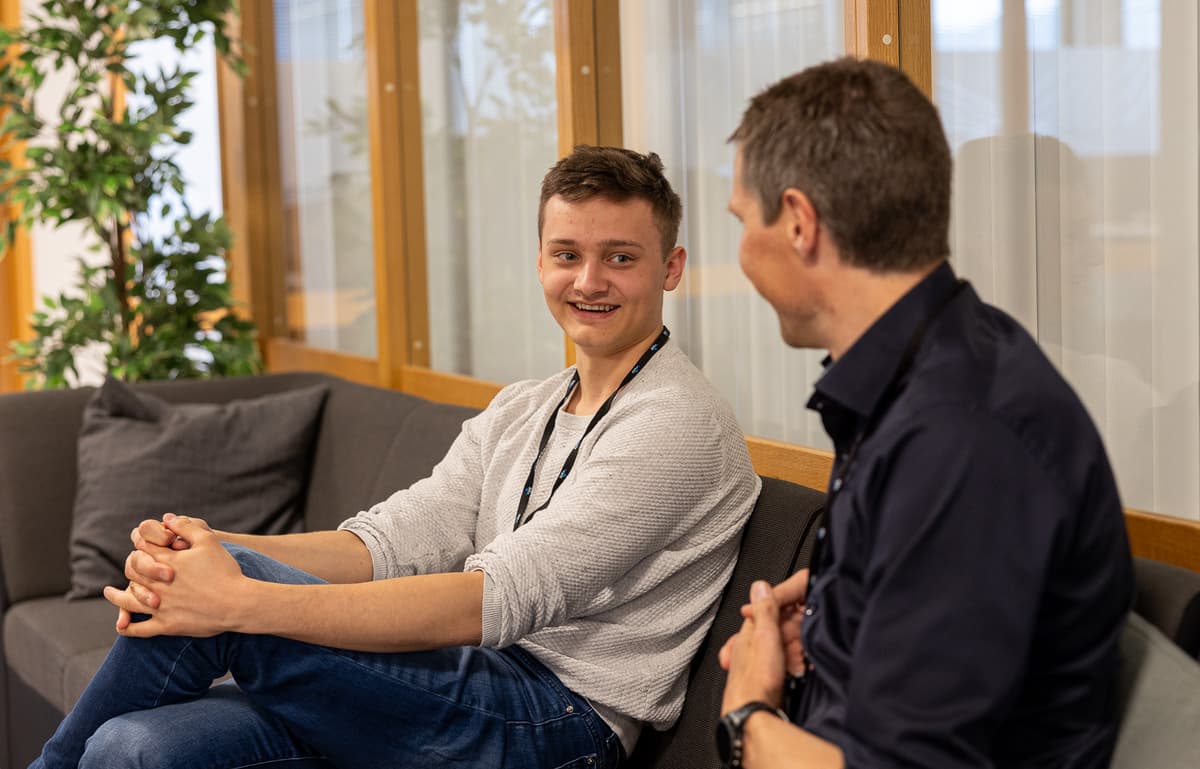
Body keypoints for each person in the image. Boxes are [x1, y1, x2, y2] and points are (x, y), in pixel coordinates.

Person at [31, 146, 761, 769]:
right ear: (541, 260)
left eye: (620, 258)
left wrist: (241, 594)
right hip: (462, 684)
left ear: (670, 267)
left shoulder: (677, 423)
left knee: (226, 595)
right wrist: (208, 549)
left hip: (557, 724)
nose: (589, 281)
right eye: (568, 254)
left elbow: (494, 598)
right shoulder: (524, 405)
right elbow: (393, 541)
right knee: (136, 746)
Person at [716, 58, 1133, 769]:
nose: (742, 254)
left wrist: (746, 716)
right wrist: (828, 607)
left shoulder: (960, 437)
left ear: (798, 223)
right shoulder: (938, 360)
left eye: (742, 221)